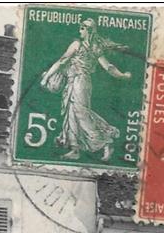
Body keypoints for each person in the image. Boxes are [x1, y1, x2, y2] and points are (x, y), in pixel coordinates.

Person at [39, 17, 132, 162]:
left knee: (81, 113)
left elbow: (62, 60)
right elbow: (108, 67)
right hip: (74, 82)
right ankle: (75, 149)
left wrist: (46, 78)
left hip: (80, 82)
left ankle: (106, 142)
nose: (79, 30)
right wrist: (122, 76)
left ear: (88, 31)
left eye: (82, 28)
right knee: (71, 113)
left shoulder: (79, 45)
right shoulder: (94, 47)